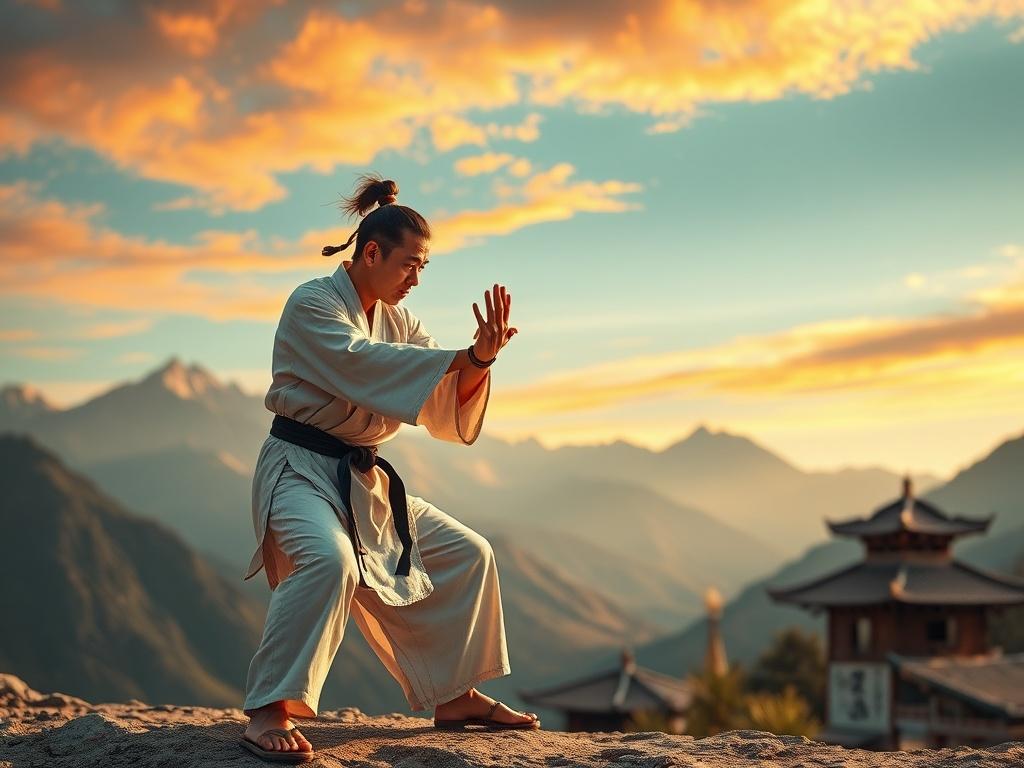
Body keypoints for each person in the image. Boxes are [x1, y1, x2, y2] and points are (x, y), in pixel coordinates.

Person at [238, 174, 537, 763]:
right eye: (410, 264)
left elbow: (435, 391)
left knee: (468, 552)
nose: (417, 279)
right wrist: (464, 356)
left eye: (424, 267)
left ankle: (454, 695)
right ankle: (270, 708)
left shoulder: (399, 323)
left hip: (362, 479)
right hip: (301, 469)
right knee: (329, 562)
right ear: (371, 252)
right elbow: (365, 364)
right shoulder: (313, 304)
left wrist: (479, 361)